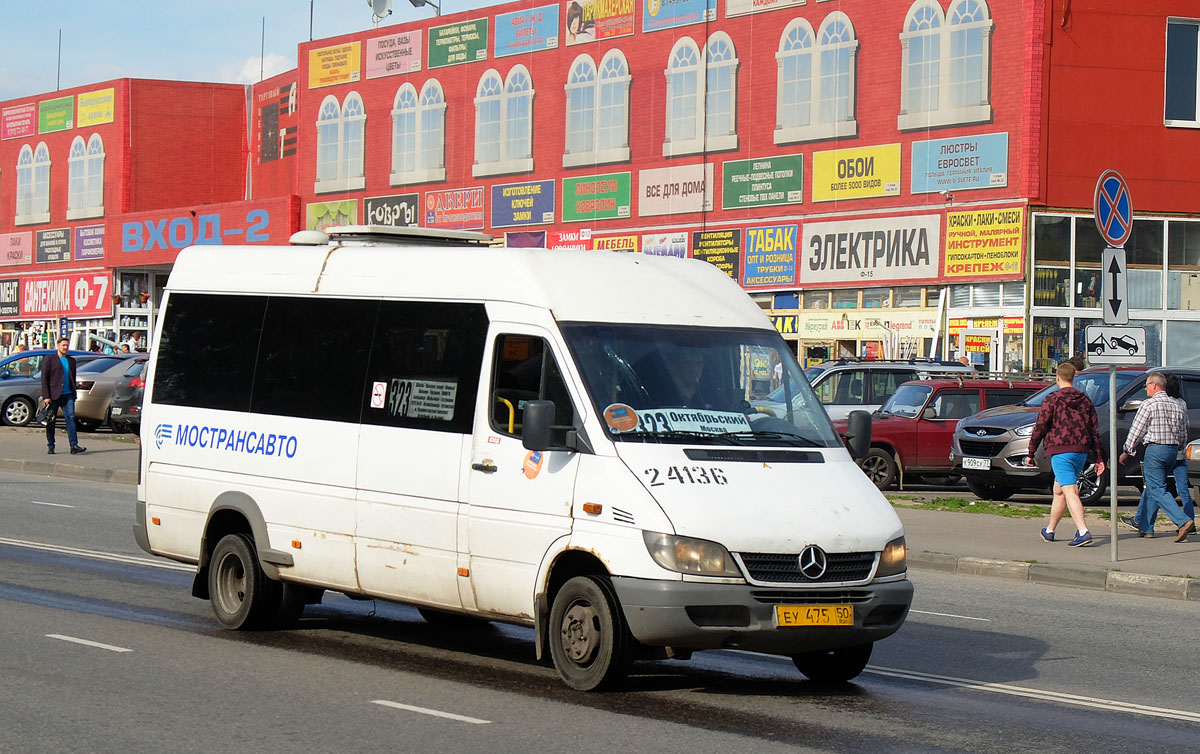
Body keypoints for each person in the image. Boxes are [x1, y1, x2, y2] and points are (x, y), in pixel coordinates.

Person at [1027, 361, 1105, 547]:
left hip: (1060, 450)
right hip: (1081, 451)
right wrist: (1099, 457)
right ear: (1074, 377)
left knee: (1070, 490)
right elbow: (1094, 429)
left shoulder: (1052, 399)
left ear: (1057, 378)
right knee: (1059, 490)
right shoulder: (1085, 400)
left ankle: (1083, 530)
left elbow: (1041, 426)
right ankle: (1050, 530)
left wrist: (1031, 451)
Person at [1118, 371, 1194, 542]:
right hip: (1173, 450)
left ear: (1154, 385)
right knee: (1153, 488)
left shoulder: (1149, 404)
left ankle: (1183, 521)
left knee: (1157, 488)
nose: (1145, 389)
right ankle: (1146, 527)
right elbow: (1184, 432)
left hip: (1155, 450)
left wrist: (1127, 451)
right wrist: (1178, 448)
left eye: (1146, 385)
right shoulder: (1177, 405)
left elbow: (1136, 430)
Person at [40, 336, 86, 456]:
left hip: (68, 395)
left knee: (70, 418)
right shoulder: (50, 359)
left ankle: (74, 445)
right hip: (53, 395)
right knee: (51, 420)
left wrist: (74, 392)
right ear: (58, 346)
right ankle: (51, 445)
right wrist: (46, 396)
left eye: (67, 345)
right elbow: (44, 378)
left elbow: (72, 377)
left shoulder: (71, 361)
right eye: (63, 345)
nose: (65, 347)